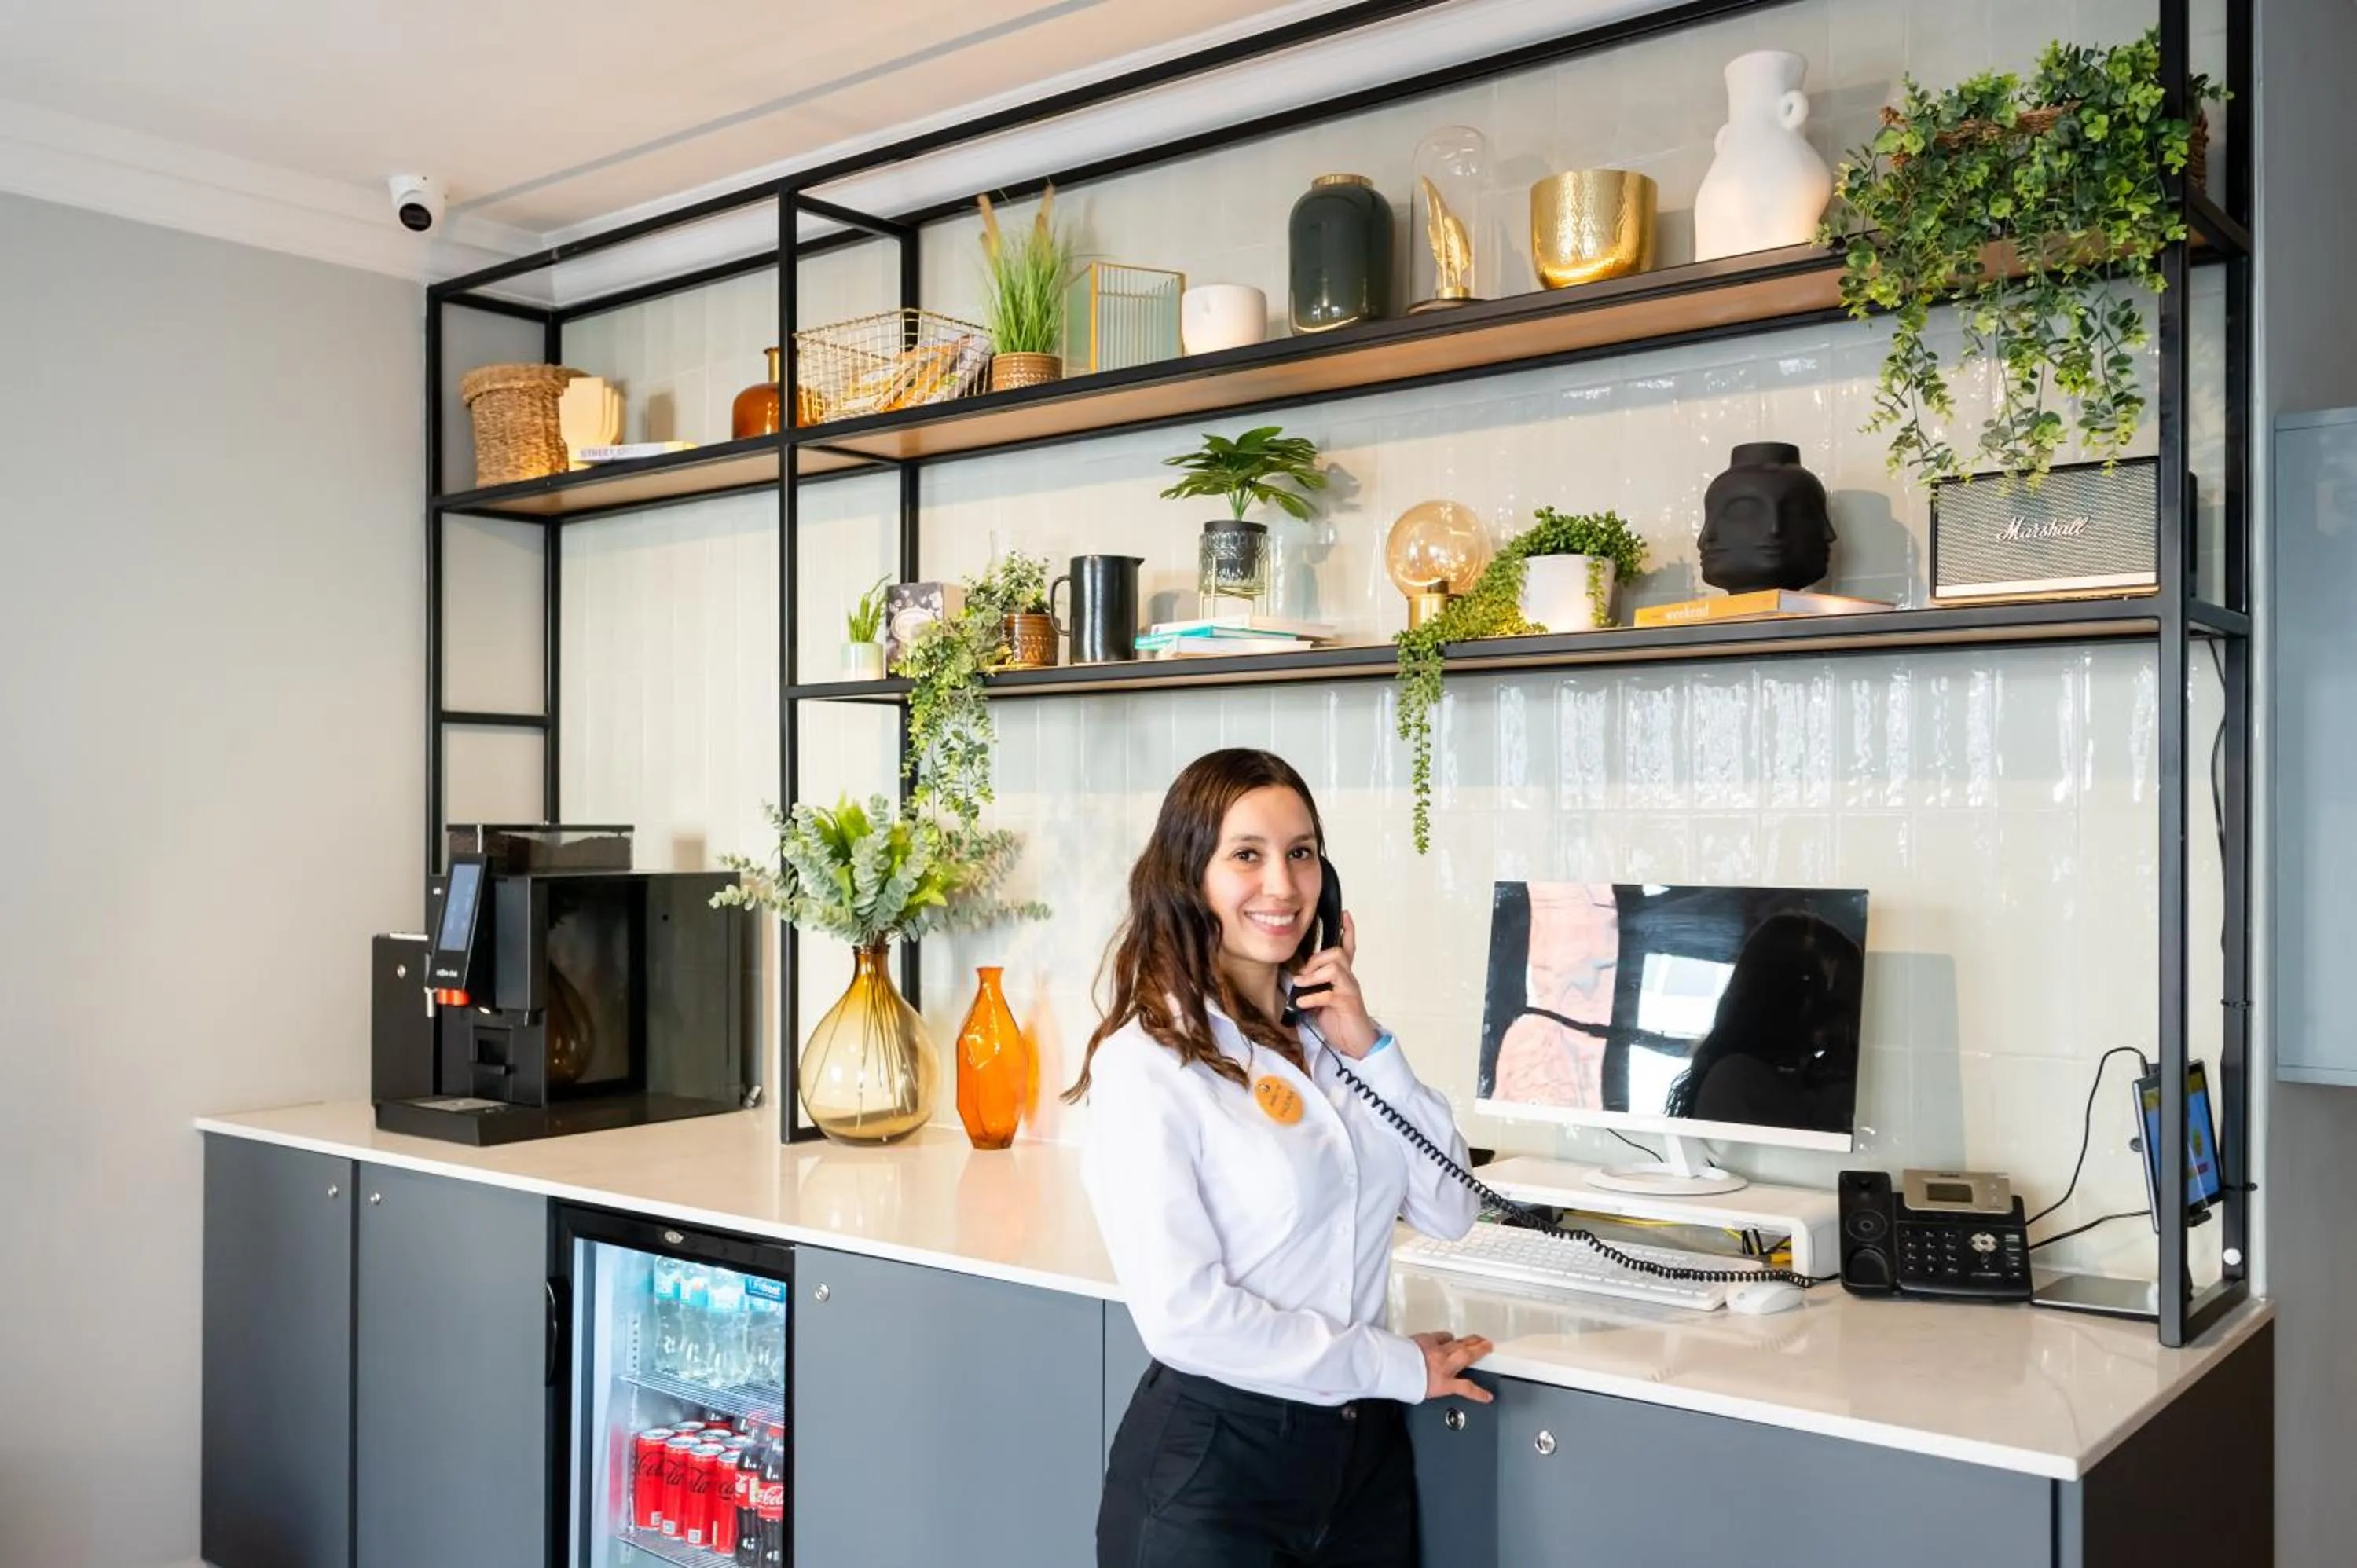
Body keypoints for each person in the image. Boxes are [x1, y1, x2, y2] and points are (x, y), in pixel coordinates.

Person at [1067, 748, 1490, 1568]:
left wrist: (1371, 1048)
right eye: (1247, 854)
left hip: (1362, 1465)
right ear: (1191, 877)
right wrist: (1394, 1362)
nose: (1283, 885)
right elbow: (1187, 1316)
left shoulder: (1334, 1045)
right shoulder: (1149, 1063)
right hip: (1218, 1473)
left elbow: (1453, 1208)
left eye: (1301, 853)